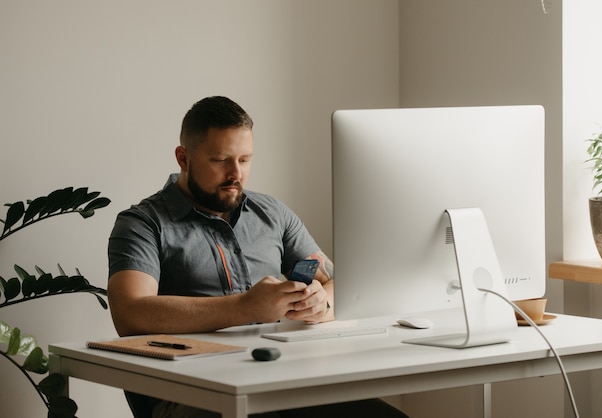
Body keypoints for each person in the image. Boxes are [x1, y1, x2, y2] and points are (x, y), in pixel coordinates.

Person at [107, 96, 409, 418]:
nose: (235, 173)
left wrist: (322, 304)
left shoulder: (272, 214)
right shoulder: (142, 223)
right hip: (192, 391)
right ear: (184, 158)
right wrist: (245, 307)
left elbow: (340, 282)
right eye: (220, 160)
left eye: (245, 159)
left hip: (281, 379)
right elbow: (130, 313)